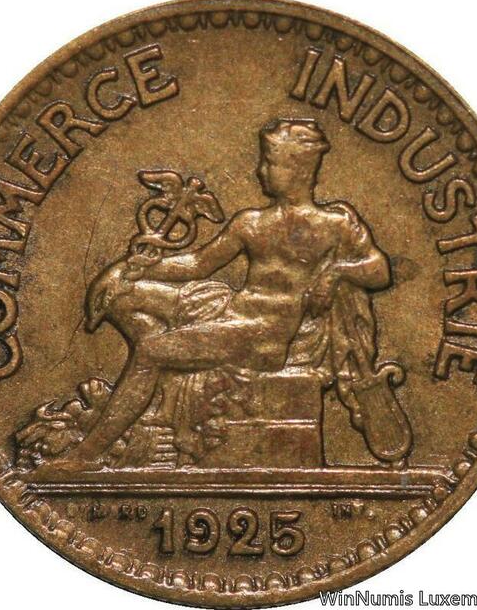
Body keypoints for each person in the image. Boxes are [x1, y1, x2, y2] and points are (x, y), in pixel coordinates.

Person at [70, 119, 390, 464]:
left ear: (299, 170)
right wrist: (133, 267)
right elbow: (197, 264)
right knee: (124, 294)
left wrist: (336, 273)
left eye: (270, 162)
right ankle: (158, 387)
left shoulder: (334, 225)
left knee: (150, 353)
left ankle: (88, 453)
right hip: (228, 309)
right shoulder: (250, 222)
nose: (260, 171)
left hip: (261, 337)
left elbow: (379, 270)